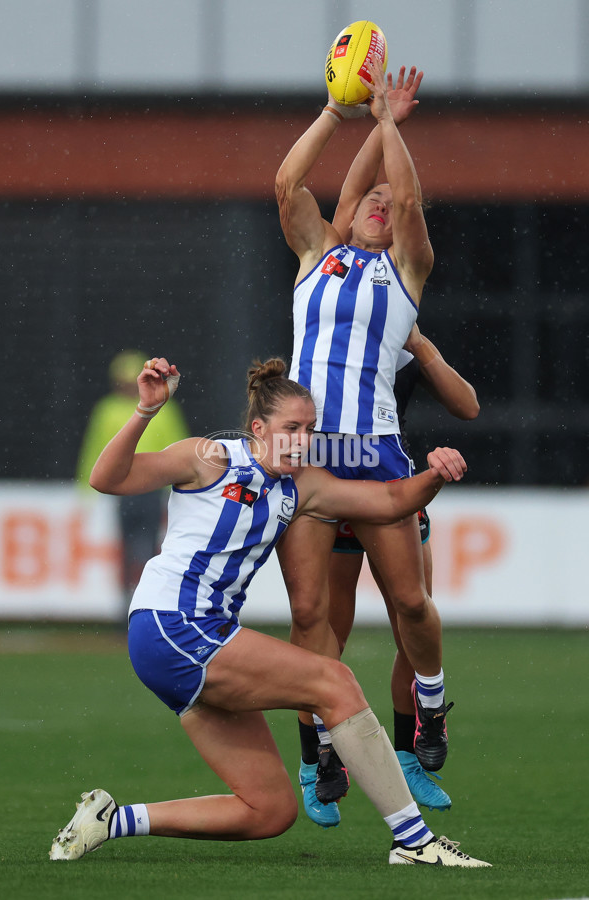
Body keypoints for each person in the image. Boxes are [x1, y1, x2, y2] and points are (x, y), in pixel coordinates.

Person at [49, 355, 489, 868]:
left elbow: (391, 500)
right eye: (290, 428)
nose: (302, 439)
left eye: (308, 429)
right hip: (173, 626)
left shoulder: (302, 487)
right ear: (258, 428)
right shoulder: (209, 458)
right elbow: (107, 477)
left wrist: (435, 473)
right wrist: (146, 411)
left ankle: (113, 820)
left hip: (199, 639)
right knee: (335, 683)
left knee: (268, 811)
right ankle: (415, 843)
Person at [274, 57, 458, 822]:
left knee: (411, 604)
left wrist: (388, 124)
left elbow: (408, 194)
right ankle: (321, 752)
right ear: (346, 214)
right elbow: (289, 187)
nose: (383, 203)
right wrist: (336, 112)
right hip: (315, 464)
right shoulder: (317, 253)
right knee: (316, 617)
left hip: (377, 459)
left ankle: (430, 715)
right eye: (368, 198)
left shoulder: (406, 272)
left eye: (390, 202)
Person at [322, 326, 480, 823]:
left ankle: (411, 753)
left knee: (412, 618)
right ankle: (318, 760)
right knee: (326, 630)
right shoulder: (318, 353)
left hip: (395, 497)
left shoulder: (397, 353)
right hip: (335, 506)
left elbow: (468, 406)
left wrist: (421, 343)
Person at [76, 349, 189, 612]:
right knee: (129, 551)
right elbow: (95, 449)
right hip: (124, 491)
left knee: (150, 550)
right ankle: (129, 607)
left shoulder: (163, 407)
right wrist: (87, 487)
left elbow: (179, 448)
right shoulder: (108, 409)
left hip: (150, 490)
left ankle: (146, 605)